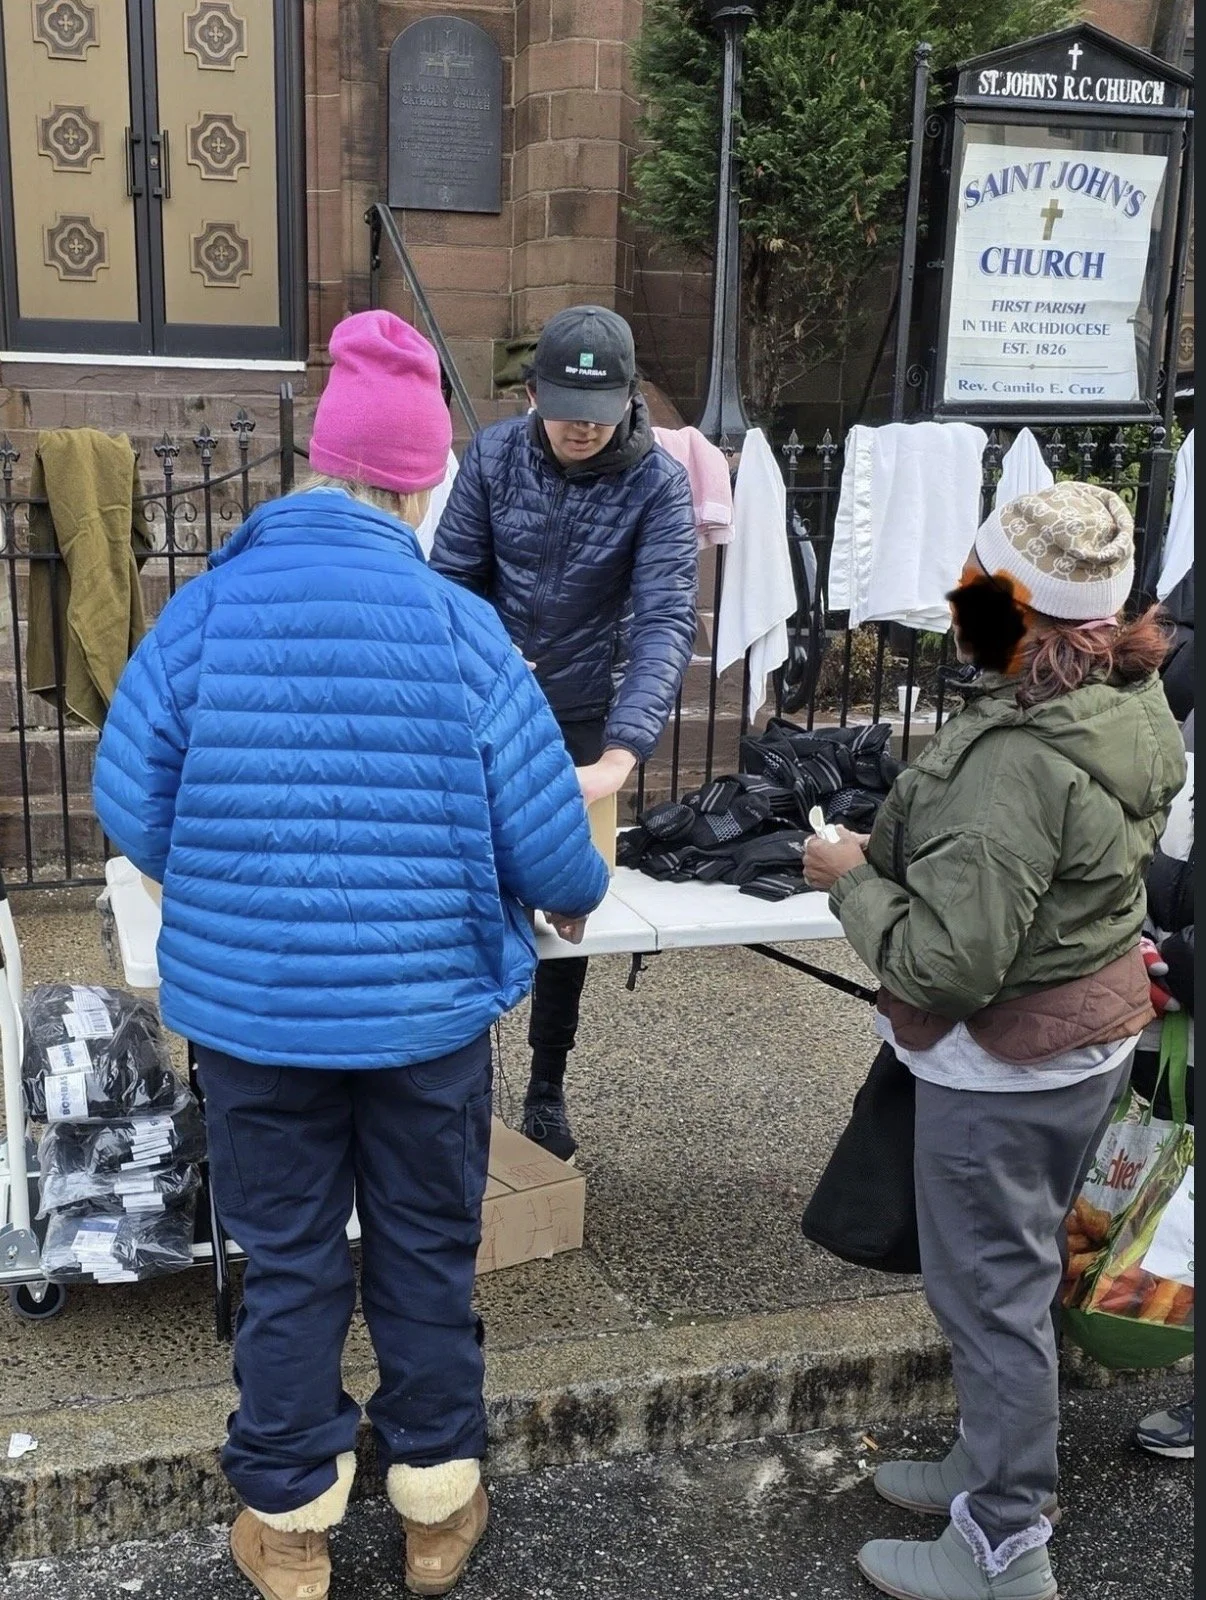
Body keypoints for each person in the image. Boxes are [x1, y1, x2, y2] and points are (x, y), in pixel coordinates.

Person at [93, 310, 610, 1600]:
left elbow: (129, 795)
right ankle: (436, 1501)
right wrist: (576, 888)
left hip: (258, 1023)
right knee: (428, 1249)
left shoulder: (207, 612)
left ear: (317, 462)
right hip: (426, 1018)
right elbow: (550, 846)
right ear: (425, 476)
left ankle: (290, 1525)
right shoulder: (459, 627)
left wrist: (206, 867)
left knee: (291, 1258)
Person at [803, 483, 1185, 1600]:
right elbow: (1044, 870)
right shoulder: (1123, 696)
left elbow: (947, 966)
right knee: (1006, 1279)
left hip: (1004, 1063)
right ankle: (986, 1467)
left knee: (992, 1296)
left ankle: (1005, 1545)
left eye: (974, 582)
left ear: (1021, 611)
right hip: (1080, 1030)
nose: (953, 595)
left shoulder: (1017, 753)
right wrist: (923, 853)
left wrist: (853, 881)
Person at [431, 305, 697, 1160]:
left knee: (566, 902)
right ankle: (452, 1069)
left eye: (597, 408)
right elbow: (452, 577)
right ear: (531, 391)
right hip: (487, 696)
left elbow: (663, 621)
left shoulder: (659, 483)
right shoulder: (496, 456)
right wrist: (482, 650)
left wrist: (621, 755)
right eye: (559, 404)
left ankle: (546, 1082)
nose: (577, 425)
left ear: (628, 400)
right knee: (460, 879)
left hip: (582, 708)